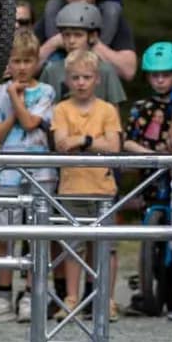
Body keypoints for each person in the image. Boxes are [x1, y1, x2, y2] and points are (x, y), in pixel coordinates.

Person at [0, 30, 54, 324]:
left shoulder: (46, 91)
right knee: (7, 237)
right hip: (7, 172)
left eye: (27, 61)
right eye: (16, 61)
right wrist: (11, 97)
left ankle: (31, 295)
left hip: (39, 173)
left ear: (36, 62)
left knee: (37, 237)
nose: (22, 67)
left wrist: (16, 103)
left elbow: (32, 122)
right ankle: (3, 295)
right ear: (8, 64)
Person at [52, 48, 124, 320]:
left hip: (103, 188)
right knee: (73, 246)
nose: (81, 82)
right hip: (71, 188)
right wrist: (97, 143)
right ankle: (72, 298)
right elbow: (61, 143)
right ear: (67, 80)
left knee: (107, 246)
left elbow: (114, 147)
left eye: (86, 77)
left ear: (98, 79)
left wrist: (83, 141)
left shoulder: (107, 110)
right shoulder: (61, 109)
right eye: (75, 77)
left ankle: (106, 298)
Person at [37, 0, 137, 81]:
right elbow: (22, 64)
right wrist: (54, 43)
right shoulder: (53, 13)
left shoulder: (112, 16)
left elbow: (129, 71)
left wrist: (92, 43)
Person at [39, 1, 127, 107]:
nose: (71, 41)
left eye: (78, 35)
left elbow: (114, 111)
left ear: (92, 36)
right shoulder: (52, 70)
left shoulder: (105, 70)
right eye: (66, 35)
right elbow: (42, 110)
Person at [125, 42, 172, 153]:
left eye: (166, 75)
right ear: (147, 77)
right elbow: (127, 141)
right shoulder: (140, 107)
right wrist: (151, 156)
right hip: (148, 167)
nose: (160, 80)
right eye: (155, 75)